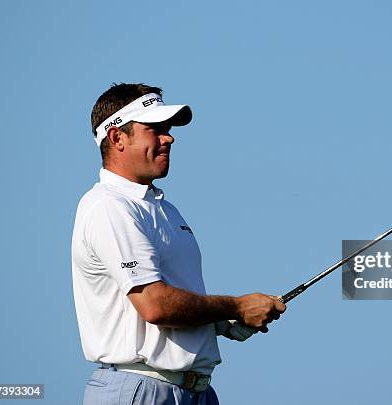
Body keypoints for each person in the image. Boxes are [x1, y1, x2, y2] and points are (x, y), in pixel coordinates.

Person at [71, 83, 286, 405]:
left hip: (194, 391)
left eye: (167, 130)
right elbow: (155, 305)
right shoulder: (109, 206)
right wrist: (236, 306)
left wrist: (218, 322)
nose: (168, 138)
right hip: (139, 389)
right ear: (117, 137)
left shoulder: (163, 209)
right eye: (154, 130)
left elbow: (169, 303)